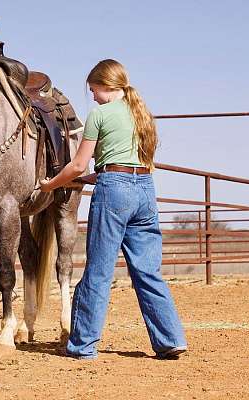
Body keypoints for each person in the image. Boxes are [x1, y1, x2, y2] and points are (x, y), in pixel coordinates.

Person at [40, 59, 187, 360]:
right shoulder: (141, 113)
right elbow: (129, 163)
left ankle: (82, 345)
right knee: (148, 270)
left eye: (93, 90)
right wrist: (97, 175)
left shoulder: (100, 114)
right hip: (145, 190)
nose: (92, 97)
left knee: (98, 271)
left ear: (106, 86)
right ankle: (170, 339)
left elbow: (79, 163)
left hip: (113, 193)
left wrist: (51, 185)